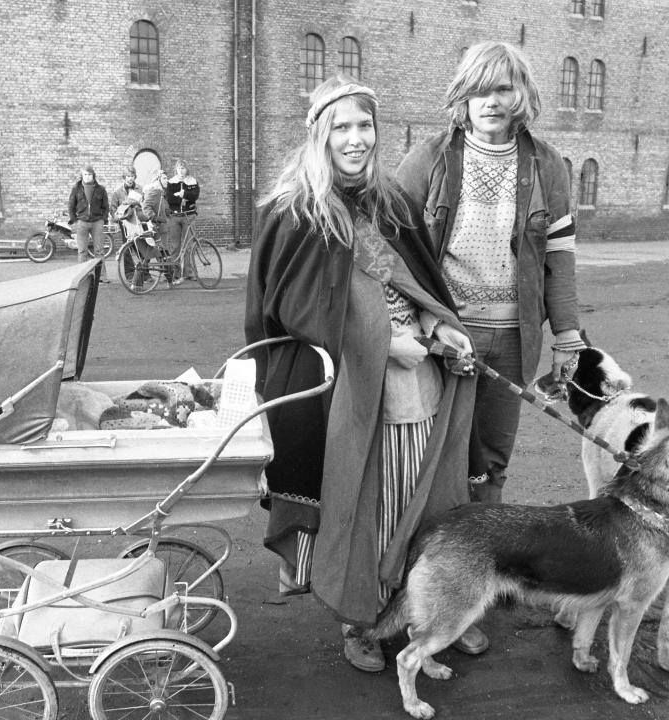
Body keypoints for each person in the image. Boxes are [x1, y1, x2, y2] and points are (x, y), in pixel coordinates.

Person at [246, 76, 486, 673]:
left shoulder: (392, 202)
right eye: (342, 128)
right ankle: (359, 619)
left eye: (364, 126)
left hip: (415, 385)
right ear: (319, 135)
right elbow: (291, 313)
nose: (355, 139)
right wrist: (383, 344)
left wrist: (437, 331)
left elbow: (420, 284)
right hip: (348, 392)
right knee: (362, 507)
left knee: (417, 500)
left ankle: (421, 613)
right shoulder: (295, 211)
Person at [397, 41, 585, 506]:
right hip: (444, 334)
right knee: (432, 453)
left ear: (521, 94)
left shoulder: (548, 164)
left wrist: (567, 339)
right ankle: (424, 566)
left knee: (492, 462)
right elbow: (392, 251)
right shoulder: (428, 159)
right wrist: (418, 322)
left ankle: (482, 564)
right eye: (479, 90)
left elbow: (558, 258)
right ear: (463, 96)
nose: (491, 101)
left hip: (514, 340)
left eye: (502, 89)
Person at [68, 165, 110, 281]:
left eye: (89, 174)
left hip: (97, 222)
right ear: (82, 176)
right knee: (82, 251)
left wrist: (103, 220)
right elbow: (71, 206)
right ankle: (82, 277)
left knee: (99, 251)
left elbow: (106, 207)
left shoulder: (101, 189)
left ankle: (101, 276)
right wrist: (75, 221)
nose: (87, 177)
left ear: (93, 176)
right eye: (85, 174)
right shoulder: (76, 188)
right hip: (82, 222)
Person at [142, 167, 175, 286]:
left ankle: (138, 281)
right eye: (164, 178)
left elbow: (163, 208)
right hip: (157, 228)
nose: (167, 180)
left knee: (155, 255)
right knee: (163, 255)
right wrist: (154, 217)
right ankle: (170, 280)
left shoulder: (161, 193)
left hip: (162, 227)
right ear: (158, 180)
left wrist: (170, 212)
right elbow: (146, 207)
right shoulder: (155, 191)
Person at [165, 160, 200, 266]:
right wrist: (182, 199)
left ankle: (189, 272)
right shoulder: (171, 182)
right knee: (175, 246)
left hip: (189, 215)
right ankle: (175, 272)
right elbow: (169, 199)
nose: (181, 170)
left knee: (189, 245)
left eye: (183, 168)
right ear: (176, 169)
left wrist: (184, 193)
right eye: (179, 168)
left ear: (187, 169)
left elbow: (195, 196)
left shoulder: (192, 181)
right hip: (174, 216)